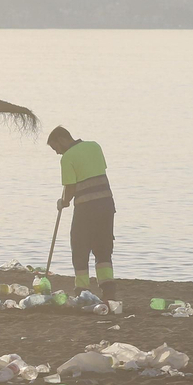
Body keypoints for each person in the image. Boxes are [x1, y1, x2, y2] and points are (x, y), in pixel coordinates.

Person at [47, 126, 116, 300]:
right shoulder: (95, 146)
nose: (57, 153)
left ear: (62, 140)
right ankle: (108, 288)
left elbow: (70, 187)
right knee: (103, 247)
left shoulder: (67, 158)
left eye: (56, 148)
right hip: (107, 205)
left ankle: (82, 289)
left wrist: (63, 202)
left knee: (80, 246)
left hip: (86, 209)